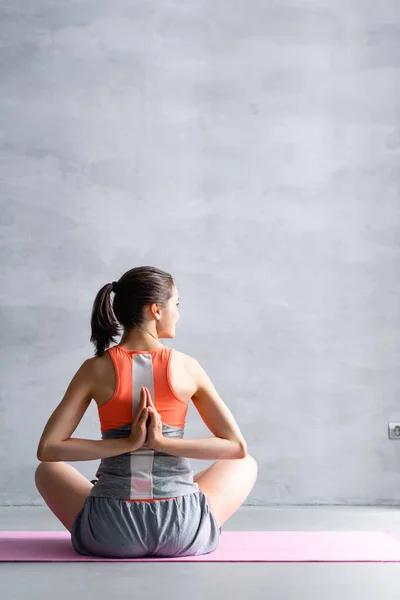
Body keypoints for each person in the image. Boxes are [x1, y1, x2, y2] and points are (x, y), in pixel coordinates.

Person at [35, 266, 258, 558]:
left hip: (110, 532)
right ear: (156, 310)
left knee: (48, 469)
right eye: (175, 305)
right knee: (245, 462)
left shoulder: (95, 368)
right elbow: (235, 447)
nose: (177, 313)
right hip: (182, 530)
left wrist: (127, 444)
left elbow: (48, 450)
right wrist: (164, 443)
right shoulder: (187, 366)